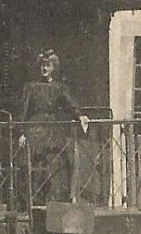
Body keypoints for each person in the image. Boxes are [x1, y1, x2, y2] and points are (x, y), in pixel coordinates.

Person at [16, 49, 89, 205]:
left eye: (48, 66)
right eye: (42, 65)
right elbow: (23, 110)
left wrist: (80, 115)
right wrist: (21, 132)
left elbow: (70, 103)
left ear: (53, 68)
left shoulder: (58, 87)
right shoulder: (31, 87)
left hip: (53, 129)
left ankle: (54, 200)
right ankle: (33, 201)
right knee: (34, 163)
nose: (44, 69)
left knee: (55, 161)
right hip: (35, 128)